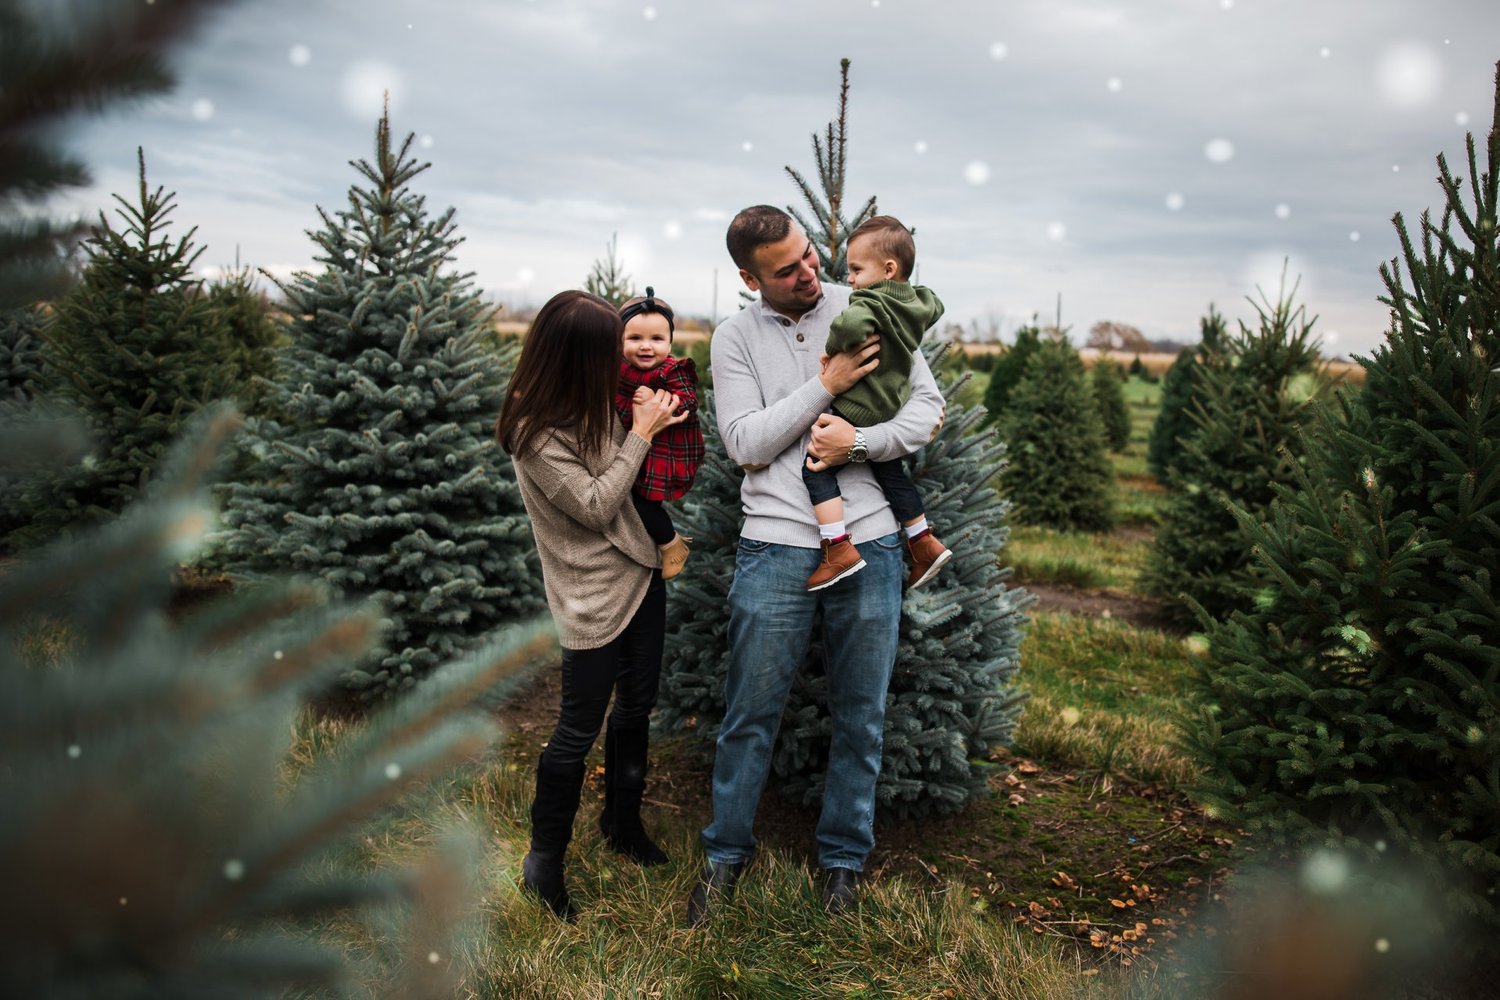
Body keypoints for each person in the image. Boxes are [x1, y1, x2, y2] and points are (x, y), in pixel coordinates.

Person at [685, 206, 945, 925]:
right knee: (750, 713)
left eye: (808, 255)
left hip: (874, 541)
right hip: (774, 544)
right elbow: (746, 443)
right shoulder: (735, 339)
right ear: (750, 279)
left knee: (862, 714)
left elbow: (926, 409)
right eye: (786, 269)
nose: (808, 273)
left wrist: (857, 445)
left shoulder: (868, 304)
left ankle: (842, 864)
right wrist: (828, 384)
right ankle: (725, 857)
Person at [496, 289, 688, 921]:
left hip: (642, 572)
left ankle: (621, 823)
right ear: (577, 356)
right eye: (609, 348)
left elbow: (643, 478)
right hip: (589, 592)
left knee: (636, 706)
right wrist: (641, 434)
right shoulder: (534, 432)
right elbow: (597, 504)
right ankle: (543, 862)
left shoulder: (602, 399)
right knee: (577, 728)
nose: (620, 357)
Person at [802, 215, 951, 592]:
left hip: (859, 405)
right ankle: (923, 541)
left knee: (816, 467)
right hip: (891, 405)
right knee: (890, 472)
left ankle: (837, 547)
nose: (849, 278)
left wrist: (832, 350)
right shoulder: (919, 301)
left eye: (856, 269)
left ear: (888, 269)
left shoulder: (869, 300)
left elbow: (849, 328)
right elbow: (936, 306)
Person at [614, 286, 703, 580]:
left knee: (640, 499)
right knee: (626, 495)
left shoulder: (670, 371)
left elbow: (689, 402)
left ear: (669, 342)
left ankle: (671, 544)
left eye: (656, 339)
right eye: (635, 338)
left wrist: (655, 402)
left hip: (663, 449)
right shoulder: (619, 369)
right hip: (631, 443)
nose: (646, 347)